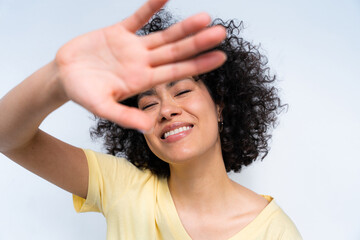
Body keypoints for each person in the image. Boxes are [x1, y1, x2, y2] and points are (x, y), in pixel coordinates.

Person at [0, 0, 302, 239]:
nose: (166, 109)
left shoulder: (273, 232)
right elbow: (7, 137)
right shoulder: (123, 186)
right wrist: (57, 78)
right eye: (148, 103)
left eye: (182, 90)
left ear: (221, 104)